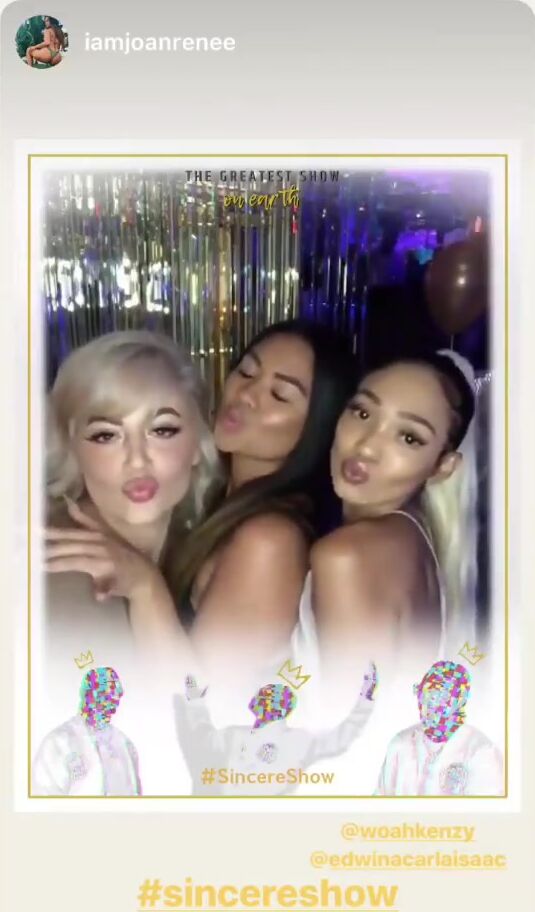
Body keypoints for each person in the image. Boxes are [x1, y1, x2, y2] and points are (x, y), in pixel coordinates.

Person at [160, 320, 357, 684]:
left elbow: (207, 702)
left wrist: (141, 586)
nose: (246, 394)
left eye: (279, 395)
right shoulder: (216, 493)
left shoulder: (270, 541)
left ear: (318, 426)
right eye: (246, 371)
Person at [44, 330, 222, 674]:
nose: (137, 460)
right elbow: (184, 708)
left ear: (199, 443)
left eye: (162, 430)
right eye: (106, 435)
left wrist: (146, 585)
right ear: (72, 449)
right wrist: (146, 590)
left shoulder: (203, 537)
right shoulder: (61, 575)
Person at [300, 349, 478, 691]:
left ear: (443, 467)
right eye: (362, 412)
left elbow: (348, 719)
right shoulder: (417, 539)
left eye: (409, 437)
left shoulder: (347, 557)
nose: (366, 446)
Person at [173, 664, 377, 795]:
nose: (258, 699)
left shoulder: (299, 741)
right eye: (261, 695)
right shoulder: (233, 735)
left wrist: (365, 699)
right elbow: (201, 736)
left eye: (266, 696)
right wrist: (195, 703)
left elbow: (343, 736)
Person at [375, 661, 503, 796]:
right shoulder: (400, 743)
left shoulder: (482, 752)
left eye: (442, 696)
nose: (430, 704)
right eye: (427, 693)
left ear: (460, 701)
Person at [32, 666, 142, 796]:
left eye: (113, 698)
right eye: (103, 697)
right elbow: (43, 794)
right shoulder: (58, 742)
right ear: (87, 696)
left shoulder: (125, 745)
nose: (108, 705)